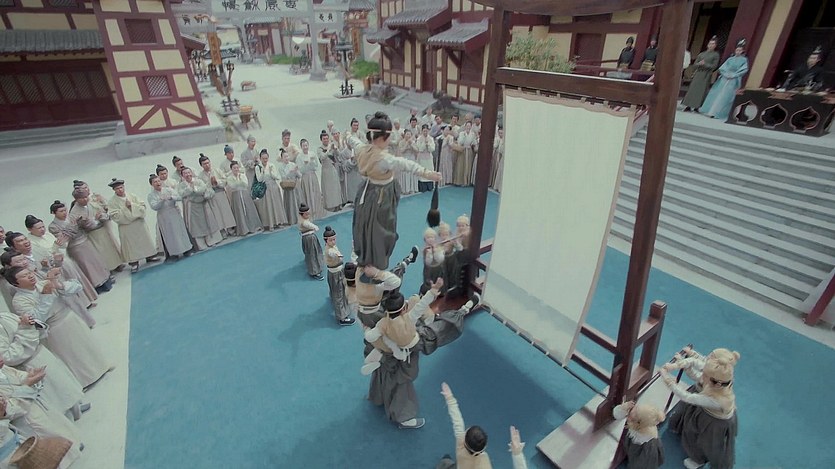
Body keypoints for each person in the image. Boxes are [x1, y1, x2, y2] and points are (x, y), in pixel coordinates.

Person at [366, 289, 476, 430]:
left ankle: (378, 396)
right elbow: (437, 330)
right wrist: (462, 311)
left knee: (383, 374)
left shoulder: (381, 322)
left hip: (383, 356)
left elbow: (370, 335)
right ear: (404, 309)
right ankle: (403, 418)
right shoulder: (410, 332)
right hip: (401, 362)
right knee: (401, 387)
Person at [349, 111, 442, 271]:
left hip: (367, 193)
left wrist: (347, 136)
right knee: (382, 231)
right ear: (381, 138)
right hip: (381, 197)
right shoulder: (384, 159)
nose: (390, 139)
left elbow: (353, 141)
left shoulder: (362, 149)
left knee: (366, 227)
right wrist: (429, 174)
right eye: (389, 136)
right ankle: (377, 262)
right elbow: (406, 164)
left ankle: (366, 255)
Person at [6, 266, 113, 389]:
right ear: (15, 283)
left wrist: (59, 285)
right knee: (71, 354)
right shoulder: (19, 300)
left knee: (86, 343)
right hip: (54, 327)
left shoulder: (43, 283)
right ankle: (86, 380)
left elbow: (77, 287)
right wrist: (45, 296)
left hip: (68, 316)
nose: (30, 276)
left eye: (29, 273)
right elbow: (37, 319)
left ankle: (102, 366)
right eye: (24, 276)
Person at [0, 304, 87, 422]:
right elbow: (9, 357)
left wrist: (31, 324)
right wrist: (25, 329)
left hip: (38, 353)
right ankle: (66, 418)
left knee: (62, 384)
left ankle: (76, 407)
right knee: (53, 395)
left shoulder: (4, 316)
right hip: (27, 362)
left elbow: (23, 327)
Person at [661, 349, 739, 469]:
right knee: (692, 428)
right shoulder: (719, 377)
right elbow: (699, 365)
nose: (702, 375)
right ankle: (682, 431)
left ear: (715, 383)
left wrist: (668, 381)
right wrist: (682, 363)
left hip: (714, 423)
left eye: (705, 375)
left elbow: (688, 397)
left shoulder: (716, 400)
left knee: (705, 442)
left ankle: (698, 460)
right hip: (706, 412)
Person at [0, 359, 83, 468]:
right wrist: (26, 387)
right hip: (26, 419)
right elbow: (10, 408)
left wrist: (28, 377)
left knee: (59, 441)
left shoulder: (4, 369)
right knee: (45, 456)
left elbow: (19, 376)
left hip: (33, 407)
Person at [437, 382, 530, 469]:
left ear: (464, 439)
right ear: (484, 447)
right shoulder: (484, 463)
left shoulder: (460, 444)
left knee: (445, 463)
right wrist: (517, 453)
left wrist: (450, 399)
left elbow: (458, 422)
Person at [25, 216, 97, 310]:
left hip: (65, 259)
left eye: (43, 226)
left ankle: (88, 300)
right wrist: (55, 247)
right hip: (55, 266)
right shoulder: (32, 243)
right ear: (30, 229)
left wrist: (62, 242)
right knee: (67, 285)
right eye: (39, 228)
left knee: (77, 279)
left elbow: (62, 246)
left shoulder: (47, 235)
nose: (42, 229)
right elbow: (43, 257)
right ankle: (81, 305)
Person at [47, 201, 112, 294]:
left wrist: (85, 221)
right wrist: (73, 226)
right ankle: (95, 284)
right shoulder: (53, 226)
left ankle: (105, 280)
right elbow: (62, 238)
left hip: (85, 241)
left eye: (65, 210)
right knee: (86, 266)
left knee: (95, 261)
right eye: (61, 211)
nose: (64, 213)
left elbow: (86, 226)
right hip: (74, 247)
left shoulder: (72, 217)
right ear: (54, 213)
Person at [106, 179, 160, 273]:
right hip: (126, 226)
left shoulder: (132, 196)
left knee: (144, 239)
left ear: (124, 187)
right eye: (117, 189)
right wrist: (126, 209)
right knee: (130, 245)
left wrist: (132, 205)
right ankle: (134, 262)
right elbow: (115, 215)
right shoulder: (112, 202)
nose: (120, 190)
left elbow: (142, 206)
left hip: (138, 223)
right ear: (114, 190)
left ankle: (149, 255)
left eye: (121, 187)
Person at [69, 187, 124, 273]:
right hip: (91, 234)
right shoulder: (75, 211)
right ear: (76, 199)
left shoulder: (92, 203)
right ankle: (107, 269)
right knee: (100, 252)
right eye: (81, 198)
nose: (85, 199)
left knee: (110, 248)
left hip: (102, 229)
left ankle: (117, 264)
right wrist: (94, 220)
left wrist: (102, 216)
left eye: (86, 197)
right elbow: (80, 226)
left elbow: (104, 212)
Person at [701, 38, 749, 120]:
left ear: (742, 51)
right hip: (725, 78)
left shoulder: (744, 60)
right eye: (737, 50)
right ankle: (710, 111)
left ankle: (719, 113)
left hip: (733, 80)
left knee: (726, 97)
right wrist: (726, 74)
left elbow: (744, 69)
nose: (738, 52)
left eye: (740, 50)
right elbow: (723, 68)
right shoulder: (730, 59)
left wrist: (734, 75)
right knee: (717, 94)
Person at [147, 174, 193, 260]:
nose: (158, 183)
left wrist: (171, 197)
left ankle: (187, 250)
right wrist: (161, 201)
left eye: (158, 181)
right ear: (151, 184)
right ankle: (174, 253)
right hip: (163, 215)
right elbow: (154, 207)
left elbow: (179, 197)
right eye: (155, 182)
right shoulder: (151, 195)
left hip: (174, 212)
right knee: (169, 235)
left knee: (180, 231)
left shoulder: (168, 190)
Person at [178, 167, 223, 250]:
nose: (188, 175)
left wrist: (195, 189)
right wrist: (190, 189)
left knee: (208, 221)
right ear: (182, 176)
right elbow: (182, 194)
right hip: (193, 206)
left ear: (191, 173)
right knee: (196, 226)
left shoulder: (198, 181)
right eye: (185, 173)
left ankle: (212, 241)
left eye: (189, 172)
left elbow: (203, 189)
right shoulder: (181, 185)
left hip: (203, 204)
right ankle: (201, 245)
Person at [612, 401, 665, 469]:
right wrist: (623, 407)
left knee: (638, 464)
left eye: (630, 417)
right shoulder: (637, 418)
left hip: (643, 450)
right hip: (634, 444)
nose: (627, 417)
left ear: (638, 422)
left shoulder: (647, 439)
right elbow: (616, 415)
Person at [197, 155, 237, 237]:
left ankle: (230, 228)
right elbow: (202, 187)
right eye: (204, 164)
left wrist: (217, 181)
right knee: (216, 213)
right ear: (201, 165)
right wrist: (210, 183)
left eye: (208, 163)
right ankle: (221, 231)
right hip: (212, 195)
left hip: (220, 193)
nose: (207, 165)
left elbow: (225, 180)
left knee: (225, 211)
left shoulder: (217, 170)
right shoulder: (200, 176)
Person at [322, 227, 353, 325]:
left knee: (336, 290)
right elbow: (333, 254)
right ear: (326, 240)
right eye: (331, 240)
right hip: (336, 273)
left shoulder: (331, 247)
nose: (333, 241)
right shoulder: (329, 251)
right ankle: (342, 317)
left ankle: (334, 300)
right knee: (339, 293)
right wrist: (338, 255)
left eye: (334, 239)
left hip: (334, 272)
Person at [682, 36, 721, 112]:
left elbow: (714, 66)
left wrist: (705, 64)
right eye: (710, 43)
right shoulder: (702, 54)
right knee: (692, 89)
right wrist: (699, 64)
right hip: (698, 73)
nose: (711, 45)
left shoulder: (715, 55)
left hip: (706, 74)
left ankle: (697, 106)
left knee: (701, 91)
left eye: (713, 44)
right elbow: (695, 65)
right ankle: (688, 105)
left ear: (715, 45)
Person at [224, 161, 263, 236]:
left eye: (237, 167)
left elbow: (245, 184)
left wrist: (238, 182)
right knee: (239, 211)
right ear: (231, 169)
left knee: (248, 209)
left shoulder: (242, 175)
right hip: (236, 195)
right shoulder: (229, 178)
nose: (236, 169)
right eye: (234, 168)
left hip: (245, 194)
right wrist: (239, 183)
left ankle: (252, 227)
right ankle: (243, 229)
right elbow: (232, 186)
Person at [254, 149, 289, 230]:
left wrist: (271, 172)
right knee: (268, 206)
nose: (265, 160)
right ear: (260, 158)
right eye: (263, 158)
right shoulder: (258, 167)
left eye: (266, 158)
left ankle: (279, 222)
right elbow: (259, 179)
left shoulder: (272, 165)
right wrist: (263, 172)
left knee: (276, 204)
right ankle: (270, 224)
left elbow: (276, 176)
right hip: (264, 187)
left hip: (273, 186)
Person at [297, 139, 325, 220]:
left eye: (306, 145)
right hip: (305, 177)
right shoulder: (299, 157)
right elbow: (300, 170)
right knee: (307, 194)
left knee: (315, 193)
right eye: (303, 146)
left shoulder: (312, 154)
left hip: (313, 176)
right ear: (301, 147)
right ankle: (310, 214)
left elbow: (317, 166)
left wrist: (312, 162)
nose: (305, 147)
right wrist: (305, 165)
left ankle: (318, 212)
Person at [318, 131, 345, 212]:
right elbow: (322, 157)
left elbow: (339, 155)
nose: (326, 140)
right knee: (328, 189)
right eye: (324, 139)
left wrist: (336, 149)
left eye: (327, 138)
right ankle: (330, 206)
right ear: (321, 140)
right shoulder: (319, 149)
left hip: (332, 169)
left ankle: (338, 204)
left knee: (336, 187)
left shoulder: (332, 146)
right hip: (326, 171)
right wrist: (328, 150)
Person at [298, 204, 324, 281]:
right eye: (306, 214)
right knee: (313, 253)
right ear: (302, 214)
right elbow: (315, 227)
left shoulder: (302, 219)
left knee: (310, 252)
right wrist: (315, 228)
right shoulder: (304, 222)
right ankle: (315, 271)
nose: (308, 215)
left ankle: (312, 265)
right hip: (309, 238)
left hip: (306, 238)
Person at [276, 149, 301, 226]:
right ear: (282, 158)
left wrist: (296, 171)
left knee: (297, 201)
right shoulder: (281, 167)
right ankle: (291, 219)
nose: (287, 158)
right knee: (290, 203)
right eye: (285, 157)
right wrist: (291, 172)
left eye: (287, 156)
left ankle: (300, 218)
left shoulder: (293, 164)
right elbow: (284, 177)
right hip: (288, 187)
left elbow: (299, 175)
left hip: (295, 185)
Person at [454, 122, 477, 187]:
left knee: (468, 165)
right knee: (461, 165)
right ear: (465, 126)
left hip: (469, 150)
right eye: (467, 126)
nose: (468, 127)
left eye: (469, 126)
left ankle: (467, 181)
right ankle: (460, 181)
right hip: (463, 150)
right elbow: (460, 142)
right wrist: (464, 136)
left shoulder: (472, 134)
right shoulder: (462, 133)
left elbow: (474, 142)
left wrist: (475, 146)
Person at [416, 124, 437, 193]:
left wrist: (428, 144)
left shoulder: (431, 138)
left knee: (429, 171)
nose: (425, 132)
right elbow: (420, 149)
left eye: (426, 131)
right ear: (422, 131)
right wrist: (424, 144)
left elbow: (432, 149)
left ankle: (430, 186)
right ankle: (423, 187)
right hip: (421, 158)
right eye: (424, 131)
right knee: (422, 172)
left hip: (429, 158)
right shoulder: (419, 139)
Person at [398, 129, 419, 195]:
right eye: (407, 134)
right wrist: (407, 144)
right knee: (405, 173)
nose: (408, 135)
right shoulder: (401, 142)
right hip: (405, 159)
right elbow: (401, 151)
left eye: (410, 134)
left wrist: (411, 144)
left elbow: (417, 150)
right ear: (404, 135)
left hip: (412, 159)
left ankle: (412, 189)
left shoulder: (413, 142)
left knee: (412, 173)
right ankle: (405, 189)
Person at [490, 126, 504, 192]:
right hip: (496, 154)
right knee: (494, 168)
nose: (500, 134)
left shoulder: (504, 140)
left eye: (501, 133)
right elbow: (495, 146)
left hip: (501, 155)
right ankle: (492, 183)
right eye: (499, 133)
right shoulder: (497, 139)